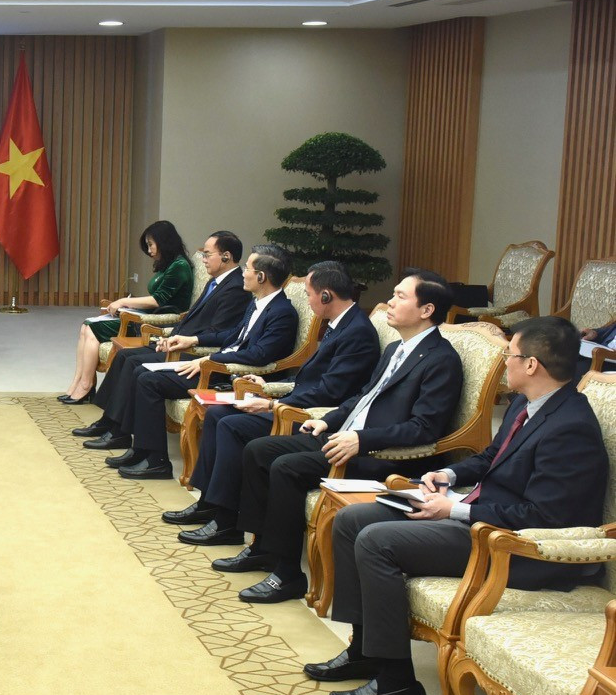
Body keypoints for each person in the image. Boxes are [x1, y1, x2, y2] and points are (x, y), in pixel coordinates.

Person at [307, 316, 609, 695]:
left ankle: (397, 683)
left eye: (510, 355)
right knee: (352, 520)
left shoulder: (571, 427)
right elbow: (489, 458)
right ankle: (364, 649)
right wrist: (447, 474)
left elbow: (545, 516)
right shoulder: (528, 402)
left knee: (377, 541)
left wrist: (456, 510)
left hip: (515, 548)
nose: (505, 363)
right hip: (480, 517)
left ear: (532, 364)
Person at [218, 270, 465, 603]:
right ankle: (262, 548)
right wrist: (330, 420)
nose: (389, 302)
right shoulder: (396, 348)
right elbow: (364, 395)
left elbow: (424, 428)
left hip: (382, 456)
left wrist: (362, 439)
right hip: (346, 438)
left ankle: (287, 574)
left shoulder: (441, 359)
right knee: (259, 450)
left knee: (286, 467)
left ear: (426, 310)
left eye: (400, 297)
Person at [167, 261, 379, 538]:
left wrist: (271, 403)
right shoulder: (341, 324)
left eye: (309, 292)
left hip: (310, 415)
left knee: (232, 425)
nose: (307, 299)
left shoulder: (357, 331)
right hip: (296, 401)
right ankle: (211, 504)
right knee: (218, 413)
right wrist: (270, 385)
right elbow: (311, 379)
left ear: (326, 296)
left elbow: (330, 391)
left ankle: (226, 521)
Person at [106, 245, 299, 481]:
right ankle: (141, 450)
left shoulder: (282, 312)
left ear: (261, 277)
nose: (243, 273)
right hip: (218, 364)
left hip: (228, 374)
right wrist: (193, 339)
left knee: (149, 380)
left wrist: (211, 359)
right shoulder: (256, 303)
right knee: (141, 373)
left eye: (247, 268)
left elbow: (258, 355)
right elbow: (231, 337)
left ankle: (156, 461)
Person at [73, 231, 248, 451]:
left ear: (226, 256)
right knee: (124, 355)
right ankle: (110, 422)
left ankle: (118, 432)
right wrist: (171, 334)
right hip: (179, 342)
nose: (203, 260)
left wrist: (186, 339)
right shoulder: (217, 282)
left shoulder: (235, 289)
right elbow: (191, 317)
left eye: (207, 254)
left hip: (195, 353)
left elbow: (222, 331)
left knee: (133, 363)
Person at [59, 220, 192, 405]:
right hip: (150, 315)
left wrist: (123, 301)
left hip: (157, 322)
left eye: (151, 245)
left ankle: (86, 385)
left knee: (92, 329)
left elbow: (158, 300)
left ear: (164, 242)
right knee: (85, 326)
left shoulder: (179, 266)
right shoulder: (170, 264)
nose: (149, 250)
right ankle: (77, 383)